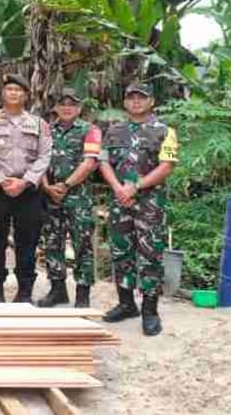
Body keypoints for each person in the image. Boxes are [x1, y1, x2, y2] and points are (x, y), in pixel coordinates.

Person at [100, 82, 178, 336]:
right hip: (119, 200)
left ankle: (150, 310)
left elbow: (166, 166)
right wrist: (118, 188)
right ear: (124, 102)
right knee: (121, 251)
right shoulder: (113, 131)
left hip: (149, 203)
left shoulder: (164, 131)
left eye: (141, 97)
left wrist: (135, 187)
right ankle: (126, 304)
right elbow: (103, 162)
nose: (135, 101)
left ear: (151, 101)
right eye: (131, 97)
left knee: (150, 255)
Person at [0, 74, 52, 303]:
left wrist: (26, 181)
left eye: (18, 90)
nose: (13, 93)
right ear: (2, 93)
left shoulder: (39, 124)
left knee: (27, 241)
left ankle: (25, 292)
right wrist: (0, 180)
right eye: (9, 89)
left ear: (26, 95)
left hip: (28, 191)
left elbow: (44, 155)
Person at [38, 88, 102, 308]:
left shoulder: (90, 130)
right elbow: (40, 159)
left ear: (79, 108)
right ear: (55, 107)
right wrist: (46, 186)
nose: (67, 108)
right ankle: (57, 290)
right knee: (52, 243)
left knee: (82, 246)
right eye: (62, 104)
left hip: (79, 199)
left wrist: (65, 185)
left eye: (72, 104)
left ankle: (82, 295)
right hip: (50, 197)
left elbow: (90, 162)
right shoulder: (46, 131)